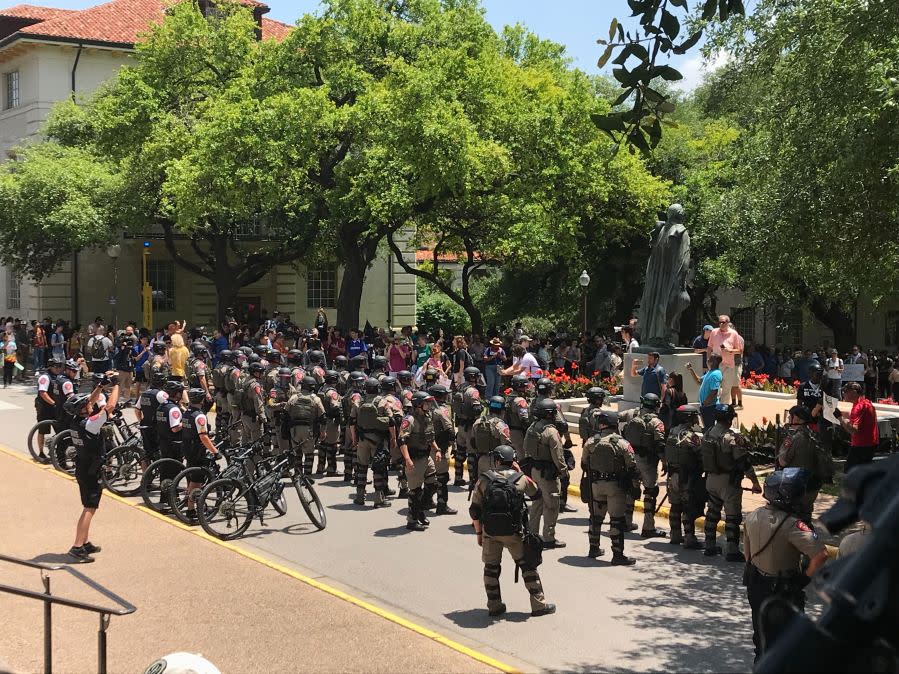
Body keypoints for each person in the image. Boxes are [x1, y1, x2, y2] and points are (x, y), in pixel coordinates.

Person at [743, 468, 828, 663]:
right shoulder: (792, 525)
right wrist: (804, 578)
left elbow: (747, 555)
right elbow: (821, 554)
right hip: (783, 591)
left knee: (762, 642)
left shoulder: (752, 515)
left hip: (756, 586)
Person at [469, 445, 555, 617]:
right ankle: (539, 605)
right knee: (528, 566)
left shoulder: (485, 479)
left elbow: (474, 510)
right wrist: (519, 472)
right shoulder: (521, 479)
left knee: (491, 568)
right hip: (515, 532)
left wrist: (479, 533)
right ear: (512, 461)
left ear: (498, 460)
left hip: (490, 532)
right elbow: (536, 493)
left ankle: (494, 605)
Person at [64, 371, 120, 562]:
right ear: (83, 409)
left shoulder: (76, 421)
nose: (91, 404)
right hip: (91, 469)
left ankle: (85, 541)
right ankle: (77, 547)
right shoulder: (91, 424)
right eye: (87, 405)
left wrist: (100, 386)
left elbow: (89, 401)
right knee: (90, 507)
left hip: (83, 466)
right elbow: (110, 406)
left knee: (88, 506)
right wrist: (116, 384)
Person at [700, 404, 762, 560]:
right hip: (728, 482)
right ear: (729, 419)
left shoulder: (707, 434)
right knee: (733, 517)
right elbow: (744, 463)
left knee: (712, 513)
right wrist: (755, 482)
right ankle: (732, 550)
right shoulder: (731, 438)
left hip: (711, 479)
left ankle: (709, 545)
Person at [580, 411, 638, 565]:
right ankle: (617, 555)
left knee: (595, 518)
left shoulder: (591, 441)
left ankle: (594, 549)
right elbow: (632, 466)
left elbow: (584, 463)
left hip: (596, 485)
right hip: (615, 487)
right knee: (616, 520)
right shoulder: (622, 443)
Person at [619, 393, 667, 537]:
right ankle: (648, 527)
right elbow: (660, 445)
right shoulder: (656, 422)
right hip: (648, 462)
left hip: (631, 460)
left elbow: (613, 418)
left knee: (631, 489)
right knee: (650, 492)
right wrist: (665, 461)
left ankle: (626, 522)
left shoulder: (632, 414)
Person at [523, 398, 567, 549]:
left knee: (537, 503)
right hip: (548, 475)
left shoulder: (532, 427)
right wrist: (563, 471)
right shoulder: (551, 431)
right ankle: (549, 537)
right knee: (551, 506)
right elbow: (558, 455)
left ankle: (532, 534)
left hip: (535, 470)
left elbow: (525, 447)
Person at [777, 405, 832, 522]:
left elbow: (782, 462)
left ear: (796, 419)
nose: (788, 419)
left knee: (793, 520)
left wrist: (781, 449)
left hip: (797, 485)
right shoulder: (815, 435)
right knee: (806, 516)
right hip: (813, 484)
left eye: (790, 417)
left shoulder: (794, 438)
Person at [397, 391, 440, 531]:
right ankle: (412, 521)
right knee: (415, 492)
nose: (429, 405)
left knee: (433, 484)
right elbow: (402, 440)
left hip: (426, 457)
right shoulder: (409, 420)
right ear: (418, 404)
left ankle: (420, 510)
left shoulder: (427, 417)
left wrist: (437, 449)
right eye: (426, 402)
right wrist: (407, 459)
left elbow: (430, 437)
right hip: (414, 459)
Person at [664, 404, 705, 548]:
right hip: (686, 477)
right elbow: (701, 456)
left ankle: (675, 535)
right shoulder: (691, 437)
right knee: (688, 507)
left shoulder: (672, 433)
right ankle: (689, 538)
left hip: (672, 475)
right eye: (694, 416)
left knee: (675, 506)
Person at [180, 388, 220, 522]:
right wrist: (215, 451)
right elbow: (203, 437)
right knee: (196, 482)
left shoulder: (186, 413)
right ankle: (191, 509)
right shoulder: (200, 415)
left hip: (187, 447)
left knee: (192, 479)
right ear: (202, 400)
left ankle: (190, 504)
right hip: (197, 450)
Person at [352, 378, 393, 507]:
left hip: (362, 439)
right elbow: (391, 422)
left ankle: (359, 496)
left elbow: (351, 423)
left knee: (361, 468)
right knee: (378, 468)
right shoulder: (382, 402)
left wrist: (354, 439)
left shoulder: (359, 402)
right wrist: (394, 438)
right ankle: (378, 499)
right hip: (378, 439)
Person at [287, 376, 327, 480]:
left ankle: (297, 475)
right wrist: (323, 432)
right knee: (309, 454)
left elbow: (285, 413)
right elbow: (323, 417)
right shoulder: (316, 399)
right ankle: (307, 476)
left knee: (297, 454)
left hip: (294, 430)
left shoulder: (294, 397)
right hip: (309, 430)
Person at [835, 381, 878, 472]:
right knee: (864, 472)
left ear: (854, 393)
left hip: (861, 445)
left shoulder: (858, 407)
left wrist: (840, 418)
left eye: (845, 392)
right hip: (871, 442)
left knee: (849, 471)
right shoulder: (867, 403)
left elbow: (853, 430)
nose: (843, 394)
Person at [428, 384, 457, 515]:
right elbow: (450, 431)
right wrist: (452, 444)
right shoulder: (442, 410)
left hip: (427, 447)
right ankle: (442, 505)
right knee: (442, 478)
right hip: (440, 448)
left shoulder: (425, 408)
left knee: (428, 476)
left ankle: (426, 500)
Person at [452, 367, 482, 486]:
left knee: (460, 453)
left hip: (460, 425)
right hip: (470, 427)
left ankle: (458, 477)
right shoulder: (473, 391)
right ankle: (472, 480)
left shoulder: (461, 387)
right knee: (472, 454)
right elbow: (476, 409)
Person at [706, 315, 745, 406]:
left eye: (723, 322)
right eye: (719, 322)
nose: (720, 324)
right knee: (715, 388)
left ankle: (723, 410)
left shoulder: (734, 334)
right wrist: (708, 360)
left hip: (728, 365)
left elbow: (740, 350)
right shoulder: (714, 332)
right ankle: (714, 407)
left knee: (726, 389)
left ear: (728, 323)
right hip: (716, 364)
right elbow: (709, 347)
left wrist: (730, 350)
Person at [471, 396, 512, 480]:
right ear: (502, 411)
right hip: (496, 462)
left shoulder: (478, 422)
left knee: (481, 488)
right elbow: (507, 445)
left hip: (481, 459)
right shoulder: (500, 425)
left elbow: (473, 442)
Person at [34, 357, 66, 463]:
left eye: (60, 366)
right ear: (50, 367)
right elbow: (43, 393)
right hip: (44, 407)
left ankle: (56, 451)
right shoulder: (45, 377)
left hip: (55, 407)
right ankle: (41, 452)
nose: (58, 368)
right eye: (56, 366)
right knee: (43, 430)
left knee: (60, 429)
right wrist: (54, 403)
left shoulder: (59, 376)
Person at [686, 354, 723, 432]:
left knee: (709, 429)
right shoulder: (710, 372)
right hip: (706, 406)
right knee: (707, 428)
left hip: (710, 407)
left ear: (713, 362)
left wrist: (705, 403)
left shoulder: (715, 374)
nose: (707, 360)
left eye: (709, 359)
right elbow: (699, 381)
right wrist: (691, 370)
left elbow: (714, 391)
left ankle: (708, 443)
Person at [317, 370, 343, 476]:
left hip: (322, 420)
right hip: (331, 421)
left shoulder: (321, 389)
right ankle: (332, 469)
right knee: (332, 446)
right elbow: (335, 406)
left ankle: (320, 467)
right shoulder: (332, 392)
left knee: (322, 445)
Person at [503, 375, 532, 455]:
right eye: (525, 386)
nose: (526, 388)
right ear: (520, 386)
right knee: (522, 457)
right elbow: (524, 420)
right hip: (518, 433)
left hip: (507, 431)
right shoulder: (520, 400)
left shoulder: (508, 398)